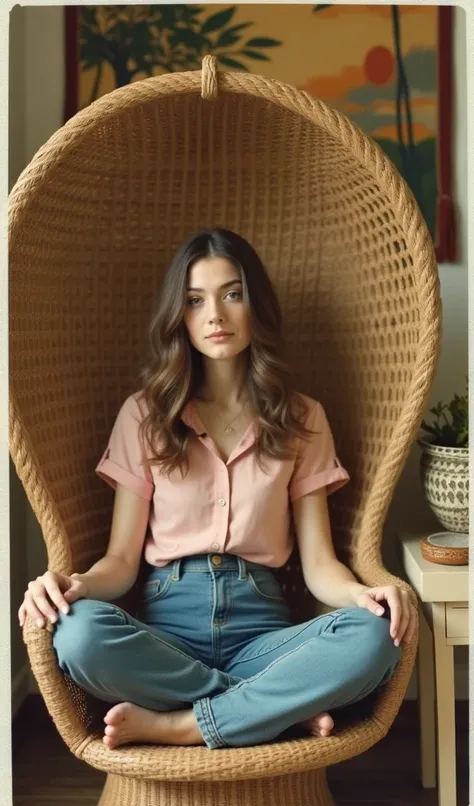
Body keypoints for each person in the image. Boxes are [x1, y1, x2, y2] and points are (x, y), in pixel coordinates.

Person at [18, 227, 416, 752]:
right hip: (164, 638)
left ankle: (181, 724)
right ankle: (271, 710)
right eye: (194, 300)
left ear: (256, 306)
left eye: (233, 294)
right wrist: (73, 587)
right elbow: (120, 561)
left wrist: (361, 595)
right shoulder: (144, 416)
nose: (215, 315)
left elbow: (320, 564)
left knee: (376, 635)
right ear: (178, 316)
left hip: (264, 636)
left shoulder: (303, 418)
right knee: (77, 633)